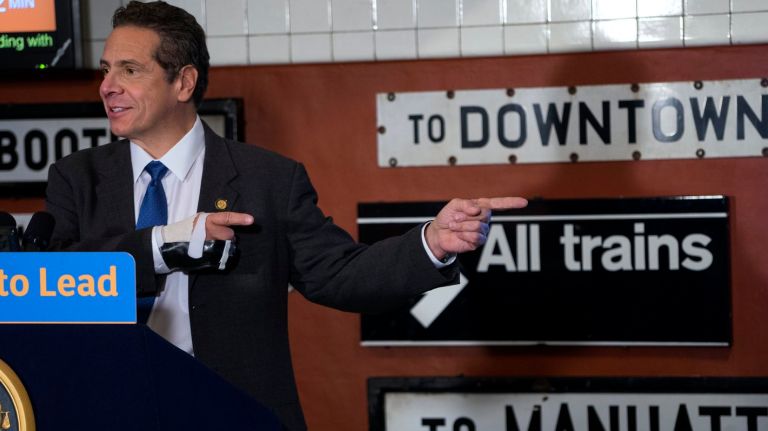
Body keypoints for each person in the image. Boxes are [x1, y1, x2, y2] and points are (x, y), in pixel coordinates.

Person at [45, 1, 527, 429]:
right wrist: (163, 244)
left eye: (129, 70)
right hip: (103, 409)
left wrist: (432, 243)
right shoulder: (75, 177)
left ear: (184, 82)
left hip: (232, 413)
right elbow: (52, 282)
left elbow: (339, 275)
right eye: (106, 70)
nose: (107, 86)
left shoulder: (268, 180)